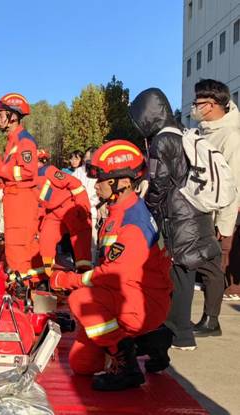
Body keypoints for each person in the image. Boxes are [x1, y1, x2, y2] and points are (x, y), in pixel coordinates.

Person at [50, 140, 172, 391]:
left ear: (123, 182)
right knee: (82, 364)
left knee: (80, 299)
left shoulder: (132, 223)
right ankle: (150, 340)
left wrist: (68, 280)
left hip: (142, 302)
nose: (96, 185)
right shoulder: (120, 211)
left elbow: (112, 273)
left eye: (102, 180)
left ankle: (127, 365)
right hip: (130, 295)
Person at [129, 88, 221, 350]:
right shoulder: (182, 133)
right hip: (195, 211)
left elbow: (158, 182)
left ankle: (180, 334)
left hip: (177, 217)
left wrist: (146, 208)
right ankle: (187, 327)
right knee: (192, 271)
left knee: (179, 276)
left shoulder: (161, 141)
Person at [194, 79, 240, 305]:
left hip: (220, 216)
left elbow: (234, 183)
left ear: (211, 105)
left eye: (198, 102)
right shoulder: (201, 133)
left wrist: (224, 223)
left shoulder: (231, 136)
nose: (194, 107)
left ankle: (212, 317)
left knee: (218, 267)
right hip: (201, 212)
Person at [0, 93, 41, 273]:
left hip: (21, 201)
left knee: (18, 248)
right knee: (17, 247)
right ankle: (27, 281)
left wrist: (0, 169)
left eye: (1, 115)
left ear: (13, 116)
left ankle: (21, 284)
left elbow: (27, 171)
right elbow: (5, 172)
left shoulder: (24, 141)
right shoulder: (13, 141)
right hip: (14, 199)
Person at [37, 149, 92, 271]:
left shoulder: (49, 171)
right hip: (53, 212)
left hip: (70, 207)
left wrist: (82, 206)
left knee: (80, 241)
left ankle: (83, 272)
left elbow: (75, 184)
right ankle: (48, 271)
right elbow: (40, 203)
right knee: (46, 238)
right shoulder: (29, 178)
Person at [72, 146, 100, 259]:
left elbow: (99, 194)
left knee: (92, 242)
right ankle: (80, 262)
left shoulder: (99, 171)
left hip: (92, 211)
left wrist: (91, 203)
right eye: (85, 158)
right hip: (78, 211)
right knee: (78, 241)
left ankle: (91, 263)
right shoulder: (79, 171)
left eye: (88, 159)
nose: (85, 161)